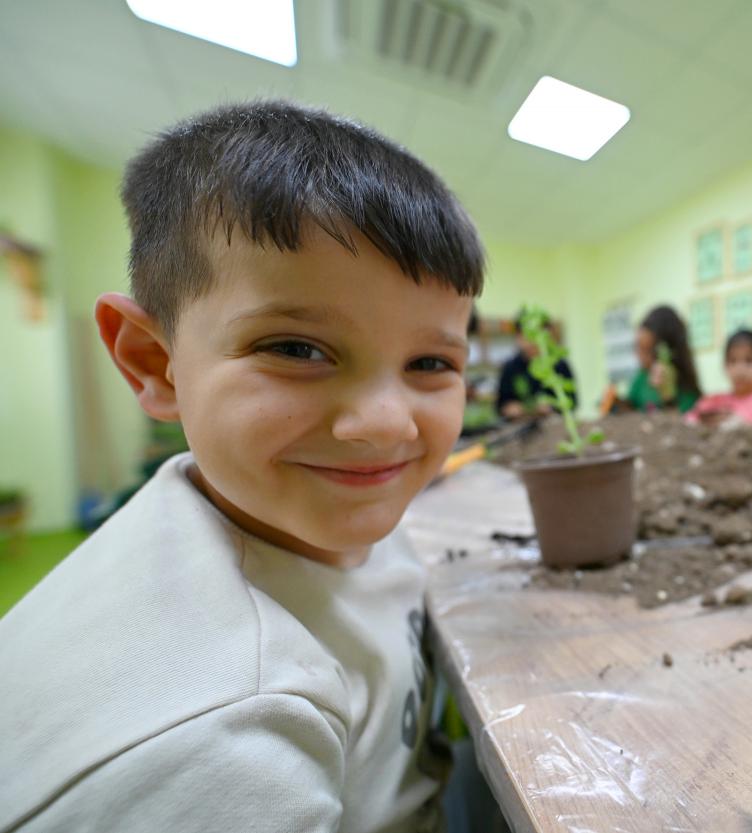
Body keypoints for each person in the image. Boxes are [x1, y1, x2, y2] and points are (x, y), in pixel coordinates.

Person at [0, 101, 485, 832]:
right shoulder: (216, 742)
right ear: (154, 361)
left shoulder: (310, 501)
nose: (388, 424)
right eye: (295, 349)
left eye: (430, 362)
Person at [495, 310, 575, 420]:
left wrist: (552, 407)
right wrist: (511, 408)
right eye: (527, 336)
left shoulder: (559, 364)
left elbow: (573, 401)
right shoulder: (510, 368)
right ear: (518, 337)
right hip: (520, 425)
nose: (532, 342)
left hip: (553, 424)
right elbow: (500, 405)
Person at [625, 304, 702, 412]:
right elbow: (629, 408)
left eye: (647, 351)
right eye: (638, 347)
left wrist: (667, 395)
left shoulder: (687, 392)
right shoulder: (640, 379)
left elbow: (683, 417)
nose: (639, 356)